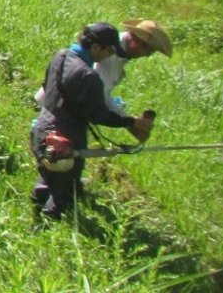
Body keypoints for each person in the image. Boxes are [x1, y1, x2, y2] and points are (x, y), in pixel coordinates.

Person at [30, 22, 154, 219]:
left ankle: (36, 211)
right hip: (66, 139)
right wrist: (131, 122)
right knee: (65, 190)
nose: (110, 55)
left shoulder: (61, 55)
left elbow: (46, 85)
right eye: (109, 50)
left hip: (42, 128)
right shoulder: (90, 77)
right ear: (96, 47)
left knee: (47, 176)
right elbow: (99, 116)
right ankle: (48, 225)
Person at [95, 19, 173, 112]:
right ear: (138, 44)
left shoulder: (121, 51)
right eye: (149, 52)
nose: (147, 56)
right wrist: (128, 122)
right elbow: (99, 95)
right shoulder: (109, 52)